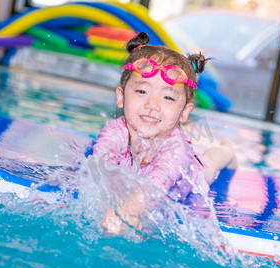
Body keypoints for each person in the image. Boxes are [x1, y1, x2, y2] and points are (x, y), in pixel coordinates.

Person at [93, 32, 236, 234]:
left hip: (191, 181)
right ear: (121, 96)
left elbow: (157, 183)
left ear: (184, 111)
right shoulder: (115, 130)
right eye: (142, 91)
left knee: (210, 164)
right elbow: (101, 164)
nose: (153, 105)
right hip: (139, 186)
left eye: (168, 98)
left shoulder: (179, 151)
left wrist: (129, 211)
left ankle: (228, 149)